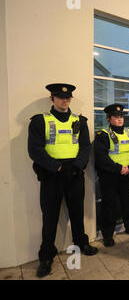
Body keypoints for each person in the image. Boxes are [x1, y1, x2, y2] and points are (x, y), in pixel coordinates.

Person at [28, 83, 98, 278]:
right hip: (52, 176)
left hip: (75, 174)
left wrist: (76, 167)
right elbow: (35, 150)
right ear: (52, 98)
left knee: (77, 212)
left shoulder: (80, 121)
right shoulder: (40, 121)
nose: (64, 100)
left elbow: (85, 147)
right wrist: (57, 167)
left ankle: (82, 242)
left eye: (67, 98)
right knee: (50, 217)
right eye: (60, 97)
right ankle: (46, 256)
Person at [94, 104, 129, 247]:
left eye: (121, 117)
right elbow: (101, 157)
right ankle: (108, 234)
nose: (120, 119)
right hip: (110, 176)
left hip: (128, 174)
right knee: (109, 205)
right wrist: (119, 168)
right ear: (109, 119)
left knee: (128, 202)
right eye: (116, 117)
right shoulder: (103, 135)